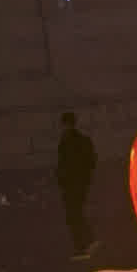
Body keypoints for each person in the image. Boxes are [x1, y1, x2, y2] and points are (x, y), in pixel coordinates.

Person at [55, 109, 100, 262]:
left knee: (73, 215)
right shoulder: (83, 140)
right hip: (80, 183)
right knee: (77, 213)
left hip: (72, 184)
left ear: (64, 124)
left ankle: (82, 246)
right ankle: (89, 242)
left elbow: (64, 165)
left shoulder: (66, 141)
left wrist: (64, 179)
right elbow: (91, 161)